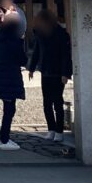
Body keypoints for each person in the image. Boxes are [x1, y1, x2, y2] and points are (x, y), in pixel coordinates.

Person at [28, 8, 72, 142]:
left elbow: (66, 55)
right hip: (45, 71)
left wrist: (65, 73)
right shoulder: (40, 35)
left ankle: (59, 130)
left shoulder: (61, 34)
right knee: (46, 103)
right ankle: (51, 129)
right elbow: (36, 51)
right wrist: (31, 67)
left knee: (57, 102)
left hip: (58, 72)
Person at [0, 10, 27, 150]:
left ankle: (5, 138)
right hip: (11, 77)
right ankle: (4, 139)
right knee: (9, 110)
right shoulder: (15, 40)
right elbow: (22, 59)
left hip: (0, 77)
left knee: (8, 108)